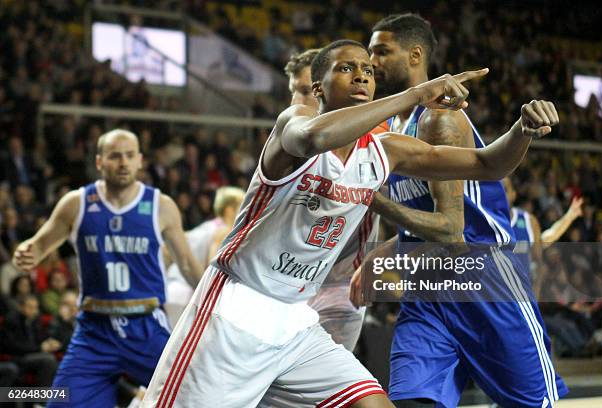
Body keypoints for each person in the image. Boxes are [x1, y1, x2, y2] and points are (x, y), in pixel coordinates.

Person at [143, 39, 557, 408]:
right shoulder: (295, 122)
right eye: (346, 68)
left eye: (368, 71)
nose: (361, 74)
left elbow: (487, 165)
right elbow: (314, 139)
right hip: (235, 306)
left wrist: (522, 131)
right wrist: (414, 95)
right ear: (319, 87)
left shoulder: (385, 151)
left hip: (296, 319)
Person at [350, 14, 566, 408]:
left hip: (484, 281)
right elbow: (418, 230)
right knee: (413, 400)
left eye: (382, 52)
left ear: (415, 55)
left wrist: (367, 196)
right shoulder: (391, 128)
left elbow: (452, 232)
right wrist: (378, 259)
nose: (372, 63)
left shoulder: (438, 118)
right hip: (428, 288)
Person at [12, 129, 202, 407]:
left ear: (140, 161)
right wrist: (26, 252)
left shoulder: (160, 205)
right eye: (115, 156)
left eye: (129, 156)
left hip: (145, 325)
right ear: (99, 162)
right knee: (60, 401)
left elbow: (186, 263)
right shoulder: (76, 204)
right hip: (94, 331)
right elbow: (38, 246)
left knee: (197, 396)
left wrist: (217, 299)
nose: (123, 163)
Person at [285, 48, 383, 351]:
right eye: (293, 92)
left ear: (322, 88)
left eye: (304, 92)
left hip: (339, 283)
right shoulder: (290, 134)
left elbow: (403, 211)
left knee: (327, 391)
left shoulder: (375, 140)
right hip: (284, 281)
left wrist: (378, 265)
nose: (296, 102)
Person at [165, 186, 245, 327]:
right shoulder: (223, 231)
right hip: (185, 292)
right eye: (243, 206)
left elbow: (168, 247)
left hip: (171, 287)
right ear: (229, 210)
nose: (247, 212)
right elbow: (213, 268)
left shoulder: (207, 226)